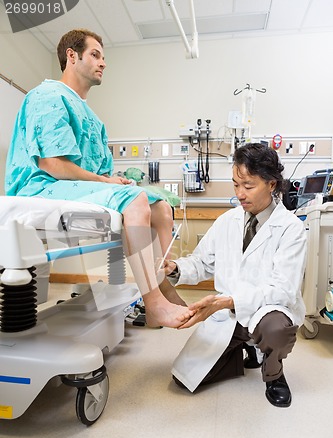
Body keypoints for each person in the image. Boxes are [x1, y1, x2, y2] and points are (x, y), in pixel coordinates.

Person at [5, 28, 193, 329]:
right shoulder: (47, 96)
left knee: (161, 207)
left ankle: (161, 285)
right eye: (95, 55)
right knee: (137, 202)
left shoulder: (93, 118)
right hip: (41, 187)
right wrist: (107, 184)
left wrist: (114, 181)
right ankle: (154, 301)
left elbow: (99, 173)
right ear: (71, 56)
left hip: (75, 188)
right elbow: (52, 164)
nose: (102, 62)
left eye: (104, 57)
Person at [163, 143, 307, 407]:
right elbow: (202, 262)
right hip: (227, 315)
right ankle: (245, 348)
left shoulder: (291, 229)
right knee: (184, 380)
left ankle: (274, 374)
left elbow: (284, 289)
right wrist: (177, 269)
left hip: (267, 312)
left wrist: (230, 301)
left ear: (272, 184)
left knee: (275, 329)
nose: (240, 194)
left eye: (248, 186)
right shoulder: (226, 221)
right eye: (235, 185)